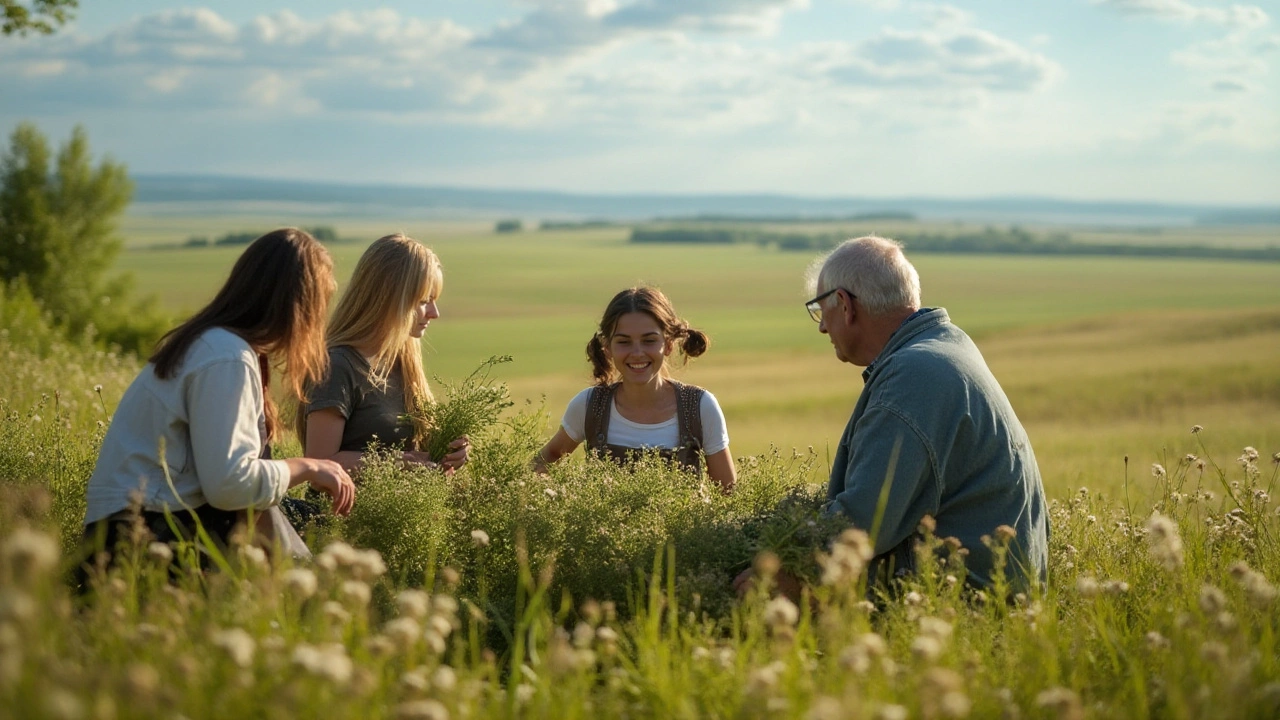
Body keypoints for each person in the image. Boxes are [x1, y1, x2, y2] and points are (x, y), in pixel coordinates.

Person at [737, 235, 1048, 596]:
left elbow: (864, 522)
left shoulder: (913, 377)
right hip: (995, 593)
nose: (822, 326)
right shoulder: (943, 347)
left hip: (963, 605)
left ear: (844, 304)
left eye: (820, 310)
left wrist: (782, 566)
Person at [81, 229, 356, 571]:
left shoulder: (215, 345)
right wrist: (309, 467)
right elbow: (230, 485)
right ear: (296, 306)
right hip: (145, 540)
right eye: (319, 306)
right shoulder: (227, 357)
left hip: (131, 532)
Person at [535, 286, 736, 492]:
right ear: (608, 348)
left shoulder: (699, 406)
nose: (637, 353)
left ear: (668, 345)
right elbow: (545, 459)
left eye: (649, 340)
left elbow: (728, 494)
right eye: (624, 342)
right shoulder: (590, 406)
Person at [298, 234, 470, 475]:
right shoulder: (336, 367)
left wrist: (450, 452)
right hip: (344, 512)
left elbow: (421, 456)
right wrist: (401, 462)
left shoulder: (402, 364)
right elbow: (318, 465)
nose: (434, 313)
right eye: (423, 301)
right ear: (389, 299)